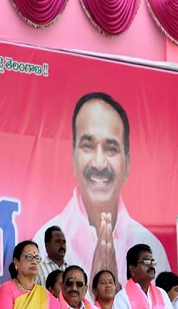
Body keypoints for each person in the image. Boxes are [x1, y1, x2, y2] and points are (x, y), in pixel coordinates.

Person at [33, 92, 170, 290]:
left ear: (127, 164)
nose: (99, 163)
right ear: (73, 158)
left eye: (111, 148)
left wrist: (115, 289)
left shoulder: (151, 245)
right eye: (88, 146)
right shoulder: (41, 241)